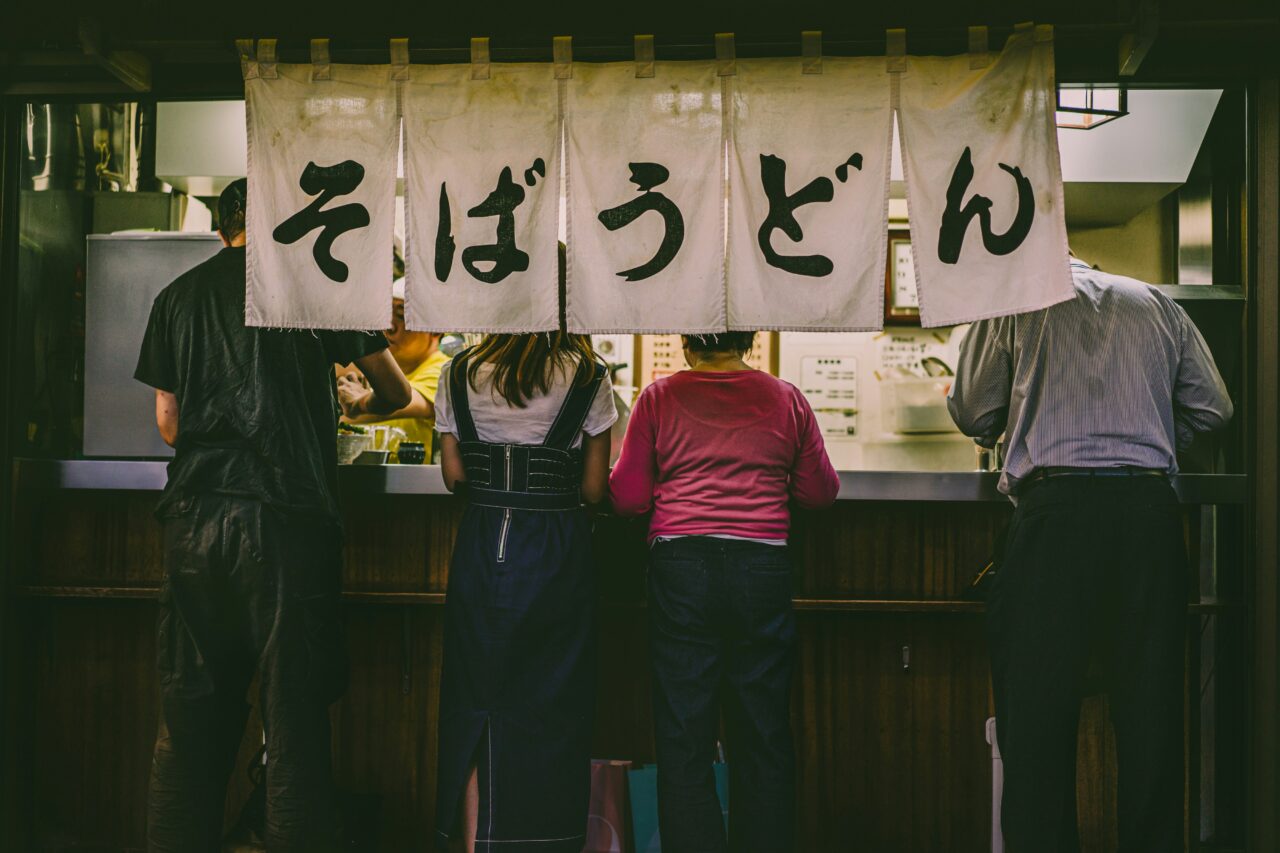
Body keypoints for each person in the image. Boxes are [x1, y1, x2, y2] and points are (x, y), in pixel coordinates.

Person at [134, 178, 411, 853]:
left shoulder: (177, 297)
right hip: (286, 523)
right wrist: (349, 406)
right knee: (294, 725)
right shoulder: (315, 291)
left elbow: (169, 423)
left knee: (189, 722)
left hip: (194, 525)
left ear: (221, 224)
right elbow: (397, 390)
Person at [947, 255, 1233, 851]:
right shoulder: (1155, 302)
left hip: (1056, 517)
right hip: (1149, 515)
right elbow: (1214, 409)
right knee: (1151, 716)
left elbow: (975, 410)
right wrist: (1150, 431)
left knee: (1038, 722)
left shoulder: (1012, 302)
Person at [609, 332, 840, 853]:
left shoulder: (659, 398)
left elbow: (626, 499)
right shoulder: (787, 399)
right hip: (763, 566)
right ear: (751, 338)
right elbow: (819, 494)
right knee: (763, 736)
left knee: (684, 738)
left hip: (682, 569)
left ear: (687, 340)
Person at [432, 332, 617, 853]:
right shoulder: (588, 374)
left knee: (475, 700)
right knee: (552, 706)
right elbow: (594, 489)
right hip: (556, 548)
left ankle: (472, 844)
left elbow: (454, 475)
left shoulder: (459, 370)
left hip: (482, 539)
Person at [338, 273, 449, 459]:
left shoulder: (442, 371)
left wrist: (357, 403)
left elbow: (399, 402)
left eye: (401, 316)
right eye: (386, 314)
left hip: (413, 486)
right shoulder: (376, 374)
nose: (389, 326)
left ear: (435, 328)